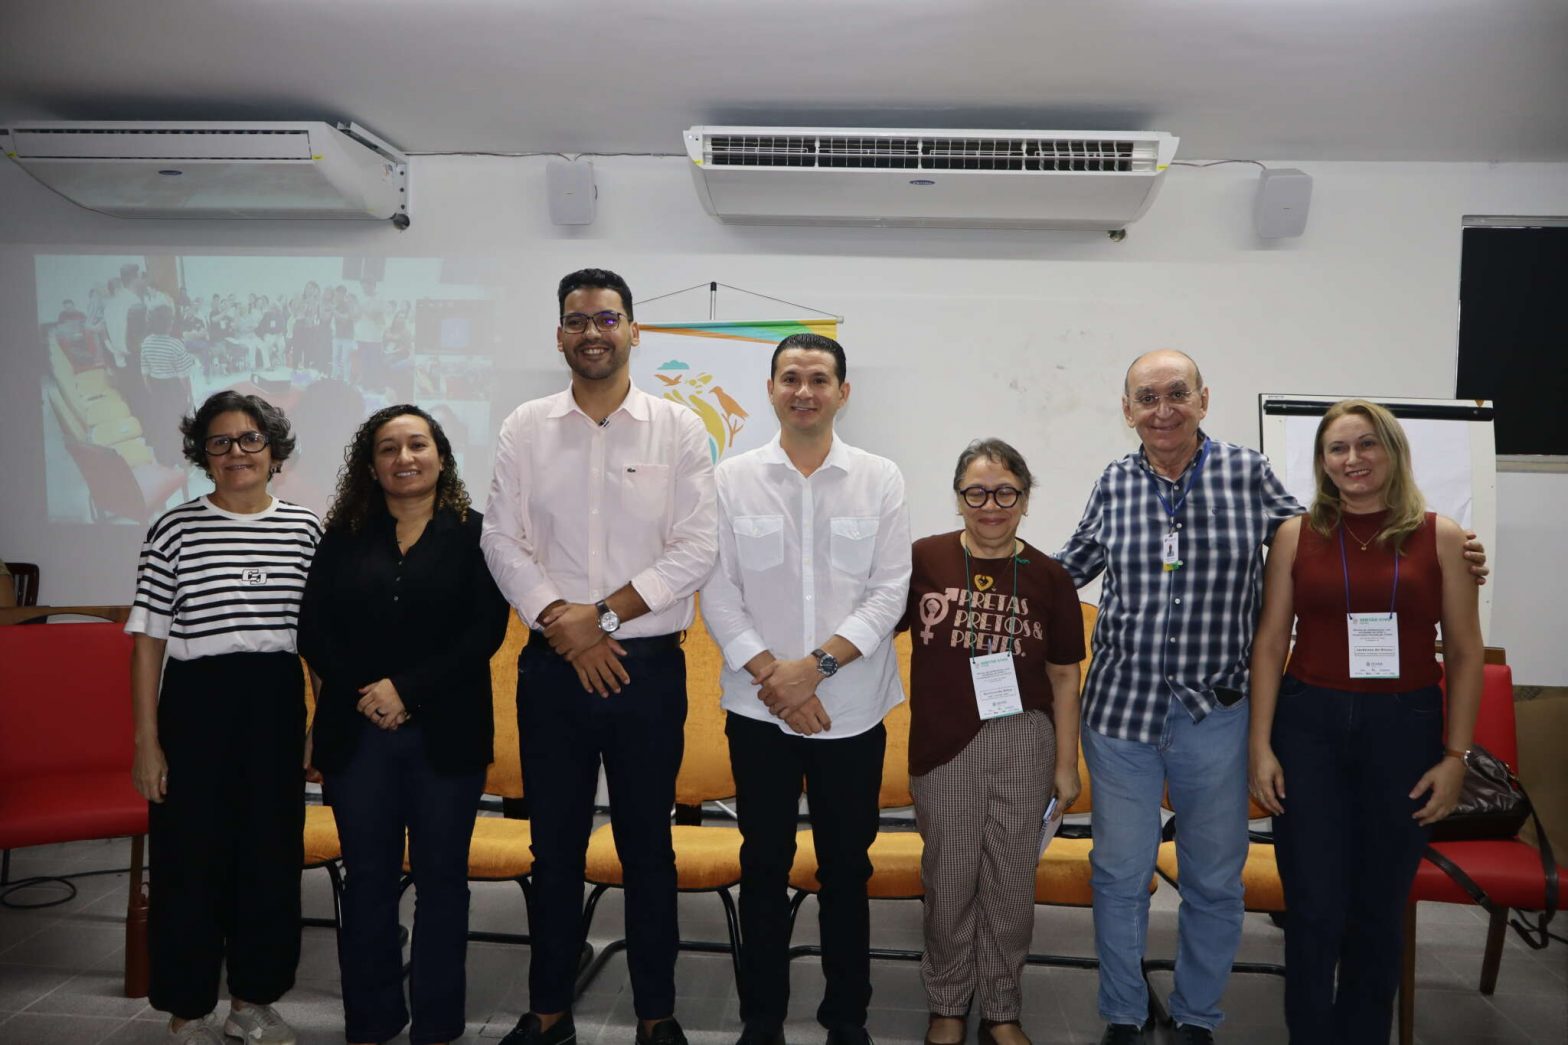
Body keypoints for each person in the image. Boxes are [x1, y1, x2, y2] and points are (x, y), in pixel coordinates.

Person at [1055, 350, 1488, 1045]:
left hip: (1216, 714)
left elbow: (1326, 537)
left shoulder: (1246, 473)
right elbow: (1067, 569)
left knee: (1214, 878)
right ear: (1128, 410)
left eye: (1177, 393)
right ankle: (1124, 1013)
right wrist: (992, 565)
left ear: (1203, 400)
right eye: (1147, 397)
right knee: (1118, 874)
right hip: (1121, 712)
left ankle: (1197, 1015)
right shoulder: (1114, 482)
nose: (1163, 410)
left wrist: (1453, 550)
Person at [481, 268, 717, 1045]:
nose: (593, 332)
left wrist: (602, 616)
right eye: (578, 320)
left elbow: (697, 546)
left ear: (634, 331)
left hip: (646, 668)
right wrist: (563, 622)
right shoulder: (526, 426)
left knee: (648, 847)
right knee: (554, 847)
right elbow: (500, 537)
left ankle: (656, 1014)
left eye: (607, 318)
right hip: (553, 666)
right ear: (560, 335)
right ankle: (549, 1010)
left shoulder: (677, 427)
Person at [1248, 399, 1482, 1045]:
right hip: (1309, 727)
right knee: (1313, 906)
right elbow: (1270, 643)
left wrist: (1456, 757)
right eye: (1337, 448)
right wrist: (1260, 744)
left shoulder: (1443, 537)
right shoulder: (1294, 535)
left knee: (1378, 910)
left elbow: (1465, 652)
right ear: (1323, 462)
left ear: (1392, 452)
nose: (1353, 459)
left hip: (1404, 729)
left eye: (1366, 444)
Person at [701, 333, 911, 1045]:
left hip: (851, 710)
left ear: (843, 393)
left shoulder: (879, 478)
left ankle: (846, 1015)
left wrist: (812, 668)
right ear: (769, 390)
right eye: (790, 377)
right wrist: (776, 676)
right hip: (757, 709)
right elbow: (717, 591)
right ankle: (762, 1015)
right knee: (763, 863)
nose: (804, 391)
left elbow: (889, 592)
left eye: (819, 379)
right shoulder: (730, 479)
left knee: (846, 867)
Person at [299, 404, 509, 1045]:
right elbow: (314, 629)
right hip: (358, 734)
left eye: (418, 444)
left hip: (448, 735)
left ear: (441, 457)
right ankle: (372, 1021)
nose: (404, 458)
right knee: (368, 881)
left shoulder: (479, 534)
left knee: (443, 882)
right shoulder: (342, 536)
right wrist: (370, 694)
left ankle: (437, 1026)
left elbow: (485, 631)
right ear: (371, 467)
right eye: (388, 449)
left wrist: (407, 691)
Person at [126, 391, 322, 1045]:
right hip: (195, 707)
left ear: (274, 450)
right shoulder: (174, 528)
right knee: (189, 862)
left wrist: (320, 722)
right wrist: (147, 740)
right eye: (220, 441)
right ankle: (187, 1010)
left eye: (250, 438)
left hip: (275, 704)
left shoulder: (304, 529)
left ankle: (251, 1002)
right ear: (202, 454)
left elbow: (320, 638)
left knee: (269, 860)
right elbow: (148, 640)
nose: (236, 452)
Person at [904, 439, 1085, 1045]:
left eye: (1006, 493)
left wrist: (1066, 764)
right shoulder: (924, 559)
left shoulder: (1051, 576)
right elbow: (873, 621)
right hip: (944, 742)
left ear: (1025, 500)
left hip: (1024, 739)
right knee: (950, 877)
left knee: (1010, 881)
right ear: (958, 498)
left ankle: (1002, 1009)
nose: (991, 506)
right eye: (976, 493)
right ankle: (948, 1004)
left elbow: (1064, 676)